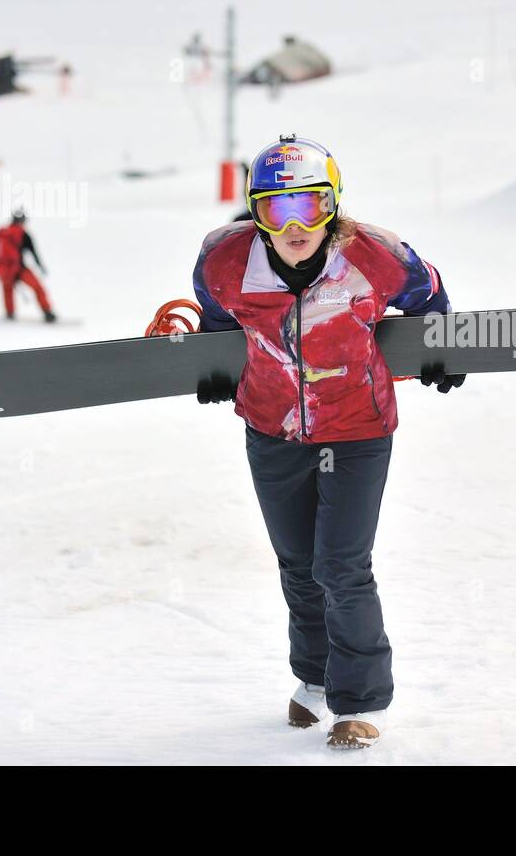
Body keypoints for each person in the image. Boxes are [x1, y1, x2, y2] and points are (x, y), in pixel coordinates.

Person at [192, 134, 463, 750]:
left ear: (333, 206)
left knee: (341, 564)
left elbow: (429, 294)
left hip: (358, 426)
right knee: (298, 567)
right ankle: (314, 680)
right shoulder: (224, 261)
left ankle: (361, 701)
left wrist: (439, 348)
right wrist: (212, 365)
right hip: (271, 426)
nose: (293, 225)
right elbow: (214, 315)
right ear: (256, 213)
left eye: (309, 207)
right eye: (274, 209)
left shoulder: (376, 255)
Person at [0, 208, 56, 322]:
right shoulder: (23, 234)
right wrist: (40, 266)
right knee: (38, 288)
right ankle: (47, 312)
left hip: (5, 271)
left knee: (7, 289)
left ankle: (10, 313)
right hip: (20, 270)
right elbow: (33, 252)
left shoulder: (2, 232)